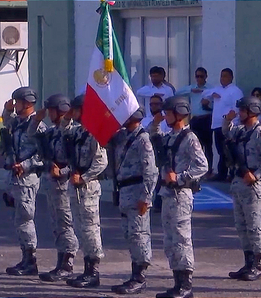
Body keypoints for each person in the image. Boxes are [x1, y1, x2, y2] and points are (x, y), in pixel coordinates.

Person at [148, 96, 208, 298]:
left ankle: (186, 285)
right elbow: (152, 137)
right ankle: (177, 282)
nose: (164, 115)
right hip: (167, 193)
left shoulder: (189, 137)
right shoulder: (170, 136)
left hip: (181, 193)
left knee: (181, 239)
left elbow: (202, 165)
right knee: (170, 240)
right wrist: (155, 122)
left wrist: (181, 177)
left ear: (179, 113)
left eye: (168, 112)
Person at [223, 96, 261, 281]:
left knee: (255, 226)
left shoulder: (260, 133)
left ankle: (257, 265)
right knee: (241, 226)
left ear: (252, 111)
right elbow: (227, 134)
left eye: (242, 110)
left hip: (253, 184)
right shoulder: (239, 131)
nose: (240, 113)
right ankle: (247, 263)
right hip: (239, 182)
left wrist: (257, 175)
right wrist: (227, 120)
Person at [27, 94, 79, 282]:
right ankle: (60, 260)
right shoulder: (52, 131)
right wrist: (36, 120)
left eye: (51, 110)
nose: (49, 113)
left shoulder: (72, 131)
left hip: (64, 183)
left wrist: (63, 171)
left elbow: (78, 160)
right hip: (52, 182)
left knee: (66, 223)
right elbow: (31, 136)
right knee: (57, 224)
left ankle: (68, 263)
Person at [60, 94, 108, 288]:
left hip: (88, 187)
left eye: (78, 110)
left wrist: (85, 177)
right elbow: (64, 130)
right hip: (77, 187)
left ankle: (93, 272)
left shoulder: (94, 133)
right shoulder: (80, 132)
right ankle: (86, 269)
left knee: (90, 229)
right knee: (80, 228)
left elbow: (101, 161)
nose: (75, 114)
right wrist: (67, 116)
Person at [109, 107, 159, 295]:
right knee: (129, 234)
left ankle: (140, 277)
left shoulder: (142, 139)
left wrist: (146, 198)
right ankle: (133, 274)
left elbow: (151, 172)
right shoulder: (122, 136)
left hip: (137, 192)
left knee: (139, 235)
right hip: (124, 192)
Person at [1, 87, 46, 276]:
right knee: (19, 219)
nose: (15, 104)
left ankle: (30, 260)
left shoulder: (38, 126)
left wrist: (25, 165)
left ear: (27, 103)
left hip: (27, 178)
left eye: (17, 102)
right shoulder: (19, 123)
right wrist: (7, 110)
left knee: (25, 219)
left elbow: (44, 155)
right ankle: (25, 257)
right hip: (15, 178)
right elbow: (8, 122)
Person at [202, 68, 244, 181]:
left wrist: (234, 122)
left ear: (231, 77)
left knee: (229, 150)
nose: (223, 78)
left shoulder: (235, 91)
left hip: (229, 125)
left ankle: (232, 173)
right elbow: (205, 93)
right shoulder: (217, 89)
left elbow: (237, 107)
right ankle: (222, 173)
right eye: (221, 76)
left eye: (225, 76)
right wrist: (212, 94)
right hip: (216, 124)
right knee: (220, 150)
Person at [177, 67, 214, 177]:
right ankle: (195, 170)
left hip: (207, 118)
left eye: (201, 76)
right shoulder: (192, 88)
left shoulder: (210, 88)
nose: (199, 79)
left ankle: (209, 170)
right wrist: (191, 91)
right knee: (194, 144)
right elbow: (177, 92)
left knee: (208, 145)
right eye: (197, 76)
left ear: (206, 77)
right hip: (195, 119)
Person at [141, 95, 171, 213]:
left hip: (163, 152)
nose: (154, 106)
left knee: (162, 178)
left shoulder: (167, 118)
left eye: (157, 104)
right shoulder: (145, 120)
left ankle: (160, 203)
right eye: (152, 104)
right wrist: (154, 123)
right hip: (149, 152)